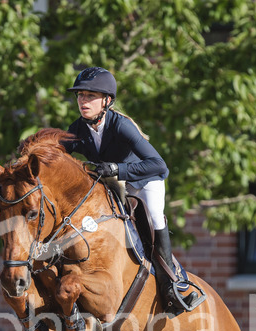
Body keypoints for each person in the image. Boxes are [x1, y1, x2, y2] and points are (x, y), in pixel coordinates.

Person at [60, 66, 200, 315]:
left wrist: (117, 169)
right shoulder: (78, 129)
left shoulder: (121, 125)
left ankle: (173, 283)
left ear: (107, 101)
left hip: (145, 180)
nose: (83, 101)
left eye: (90, 96)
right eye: (80, 95)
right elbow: (56, 155)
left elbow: (159, 165)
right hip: (114, 183)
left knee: (154, 217)